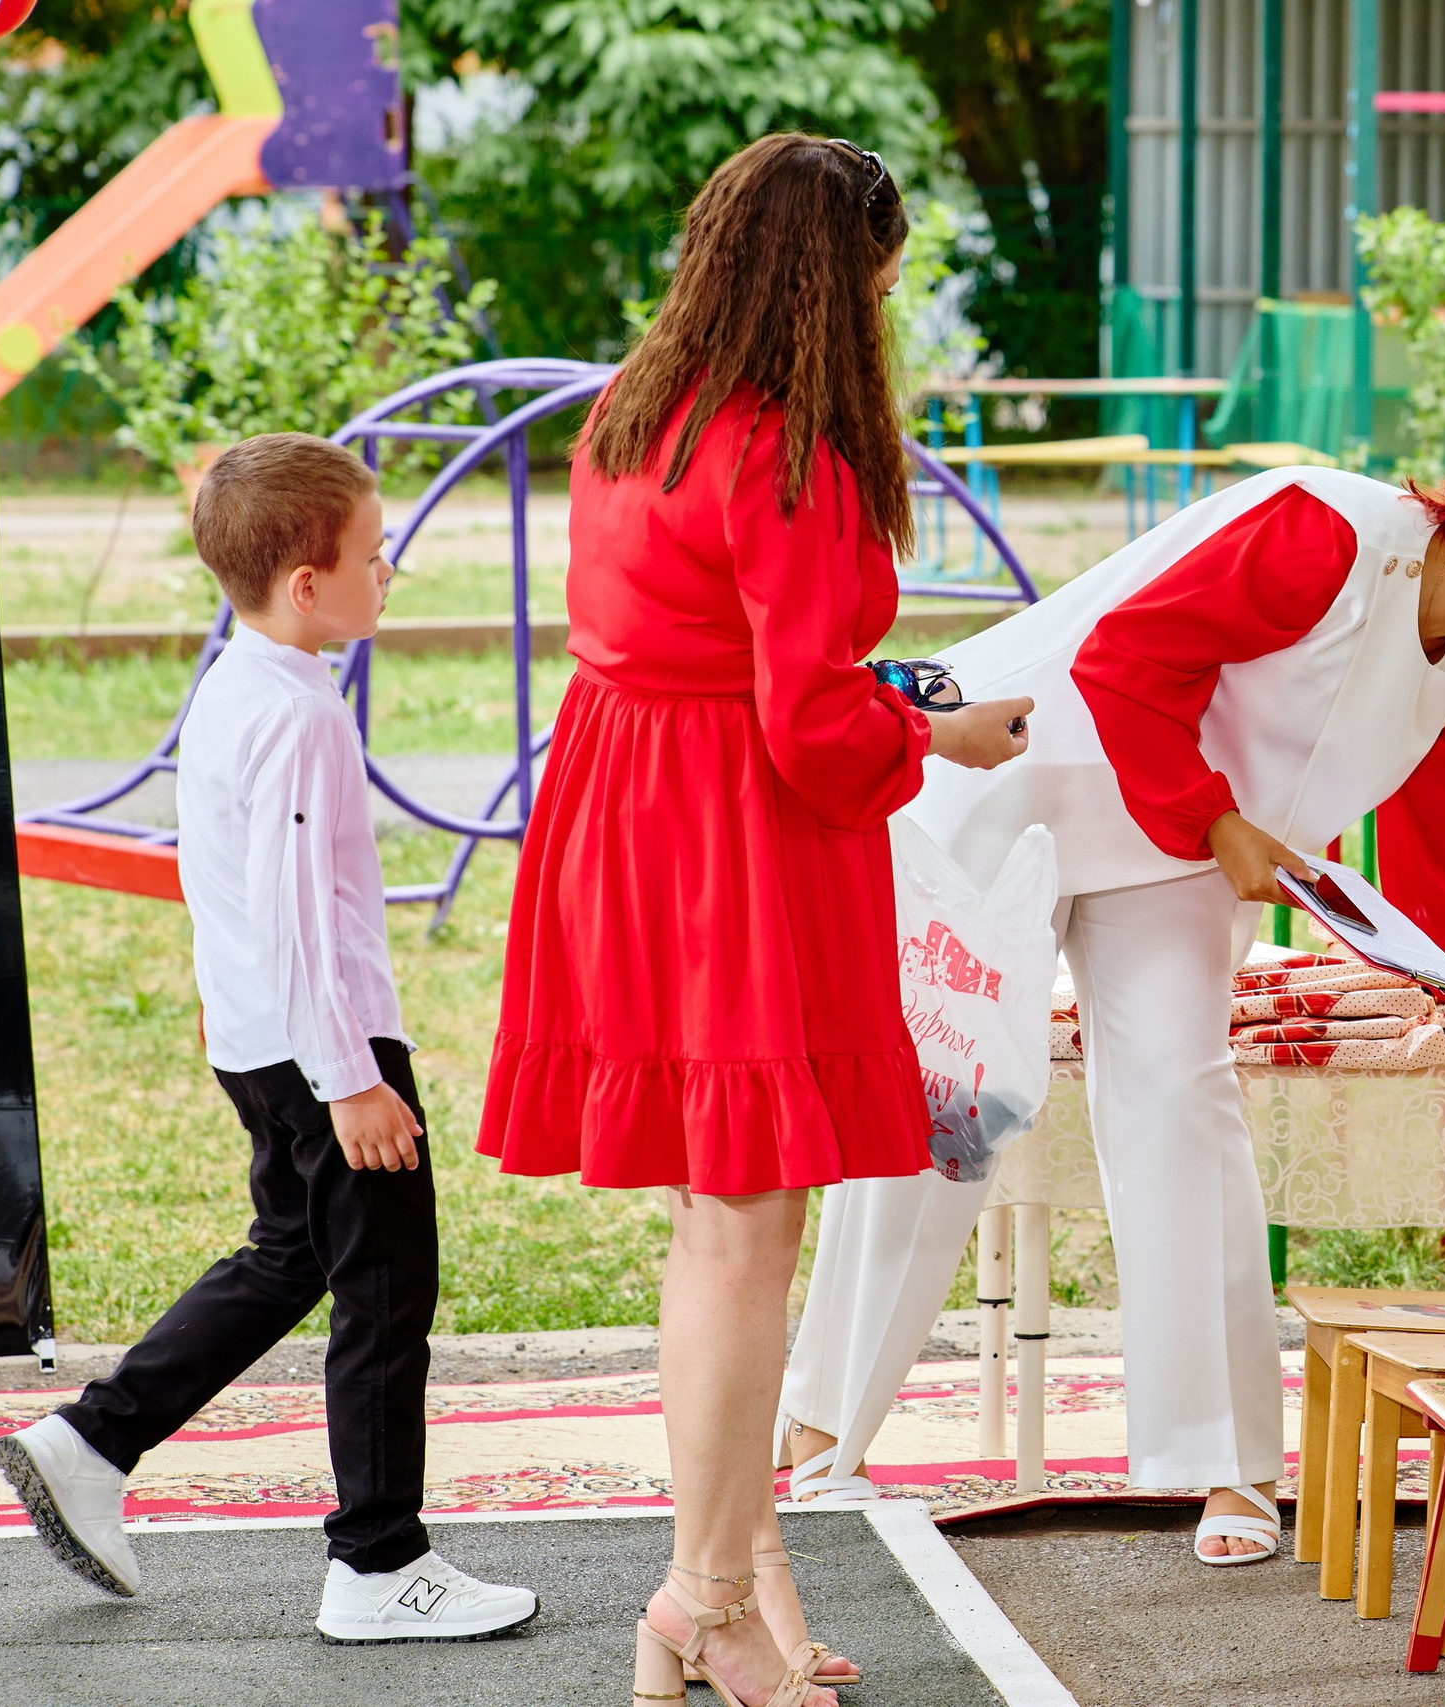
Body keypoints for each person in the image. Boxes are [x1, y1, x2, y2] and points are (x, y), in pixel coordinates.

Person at [777, 428, 1445, 1563]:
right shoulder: (1322, 532)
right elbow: (1126, 659)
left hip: (1181, 847)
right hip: (1028, 785)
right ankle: (820, 1426)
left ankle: (1225, 1466)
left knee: (1182, 1103)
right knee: (958, 1106)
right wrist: (1214, 819)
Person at [473, 135, 1028, 1706]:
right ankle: (706, 1592)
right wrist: (937, 733)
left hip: (626, 811)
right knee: (745, 1229)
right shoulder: (793, 452)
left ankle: (732, 1574)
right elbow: (812, 727)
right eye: (881, 280)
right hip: (734, 838)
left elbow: (712, 648)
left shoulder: (630, 414)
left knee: (717, 1227)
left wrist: (885, 704)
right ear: (838, 280)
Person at [0, 434, 539, 1642]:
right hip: (324, 1051)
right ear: (307, 582)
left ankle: (89, 1441)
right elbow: (296, 913)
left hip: (266, 1039)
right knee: (387, 1288)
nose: (388, 571)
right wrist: (351, 1081)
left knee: (294, 1253)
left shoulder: (237, 687)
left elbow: (221, 879)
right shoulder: (299, 720)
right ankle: (379, 1564)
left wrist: (243, 1026)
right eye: (375, 553)